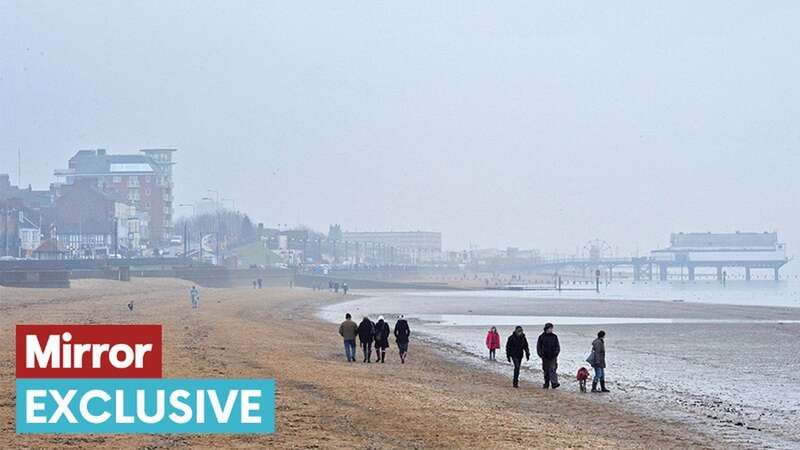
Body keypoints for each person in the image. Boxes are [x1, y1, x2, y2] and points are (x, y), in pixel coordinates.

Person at [536, 322, 560, 389]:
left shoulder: (554, 337)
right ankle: (546, 383)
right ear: (546, 329)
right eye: (550, 328)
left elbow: (557, 346)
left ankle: (554, 383)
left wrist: (556, 353)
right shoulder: (541, 337)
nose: (551, 330)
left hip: (553, 356)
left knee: (553, 369)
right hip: (545, 356)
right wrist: (540, 354)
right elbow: (538, 347)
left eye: (552, 328)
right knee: (546, 370)